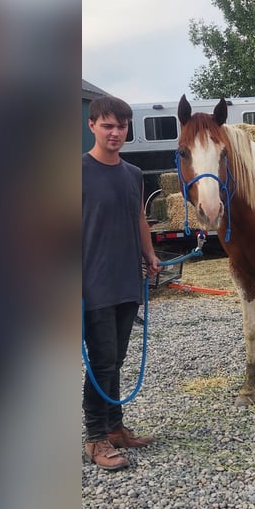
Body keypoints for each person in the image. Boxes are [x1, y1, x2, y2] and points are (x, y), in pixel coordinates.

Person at [83, 95, 161, 470]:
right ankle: (95, 438)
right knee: (101, 363)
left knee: (115, 359)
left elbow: (139, 220)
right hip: (91, 284)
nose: (116, 133)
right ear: (92, 126)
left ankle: (115, 428)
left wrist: (149, 255)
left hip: (127, 281)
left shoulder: (133, 175)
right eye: (108, 125)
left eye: (122, 126)